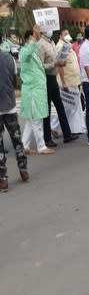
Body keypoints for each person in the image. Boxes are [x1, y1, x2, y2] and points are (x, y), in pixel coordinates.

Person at [35, 25, 77, 147]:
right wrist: (54, 63)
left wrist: (60, 63)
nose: (50, 30)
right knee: (46, 109)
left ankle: (67, 134)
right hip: (46, 78)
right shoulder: (41, 44)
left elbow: (56, 59)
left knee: (60, 106)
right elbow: (40, 65)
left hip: (53, 78)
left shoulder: (51, 42)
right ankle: (47, 138)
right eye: (47, 28)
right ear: (42, 30)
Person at [19, 30, 54, 155]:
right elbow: (27, 52)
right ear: (29, 38)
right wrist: (34, 38)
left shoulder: (34, 53)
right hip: (33, 90)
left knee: (30, 120)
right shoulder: (25, 51)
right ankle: (41, 146)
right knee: (37, 119)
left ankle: (24, 145)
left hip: (37, 90)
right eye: (34, 36)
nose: (37, 38)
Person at [0, 37, 28, 192]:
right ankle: (23, 170)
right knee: (17, 139)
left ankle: (3, 180)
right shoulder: (9, 58)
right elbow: (15, 79)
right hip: (10, 105)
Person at [54, 28, 85, 135]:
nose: (67, 35)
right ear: (60, 36)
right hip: (67, 81)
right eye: (65, 33)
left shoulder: (68, 45)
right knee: (68, 107)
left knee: (74, 106)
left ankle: (73, 128)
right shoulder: (60, 47)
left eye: (68, 33)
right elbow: (60, 66)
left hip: (74, 80)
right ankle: (54, 127)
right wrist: (63, 83)